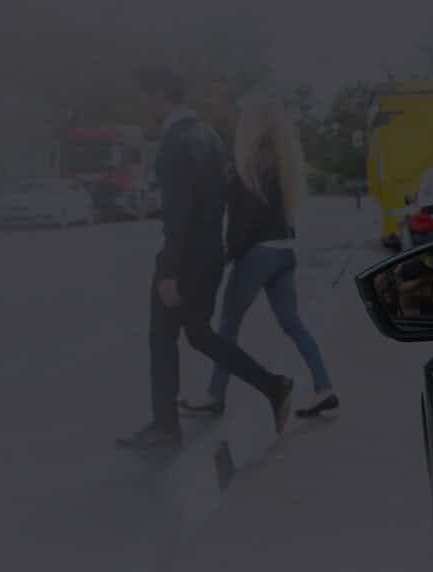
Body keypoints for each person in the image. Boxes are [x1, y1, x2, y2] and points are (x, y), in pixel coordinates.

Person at [116, 68, 294, 450]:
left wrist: (169, 271)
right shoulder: (210, 137)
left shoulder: (175, 143)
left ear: (161, 96)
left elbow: (178, 214)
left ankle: (165, 426)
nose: (148, 106)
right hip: (210, 256)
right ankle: (273, 386)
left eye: (149, 98)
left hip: (183, 260)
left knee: (162, 338)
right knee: (199, 333)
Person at [177, 95, 338, 419]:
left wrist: (225, 257)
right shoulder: (283, 162)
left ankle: (215, 396)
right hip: (284, 250)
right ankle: (325, 387)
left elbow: (244, 224)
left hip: (258, 254)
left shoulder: (249, 163)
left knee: (227, 325)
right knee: (292, 324)